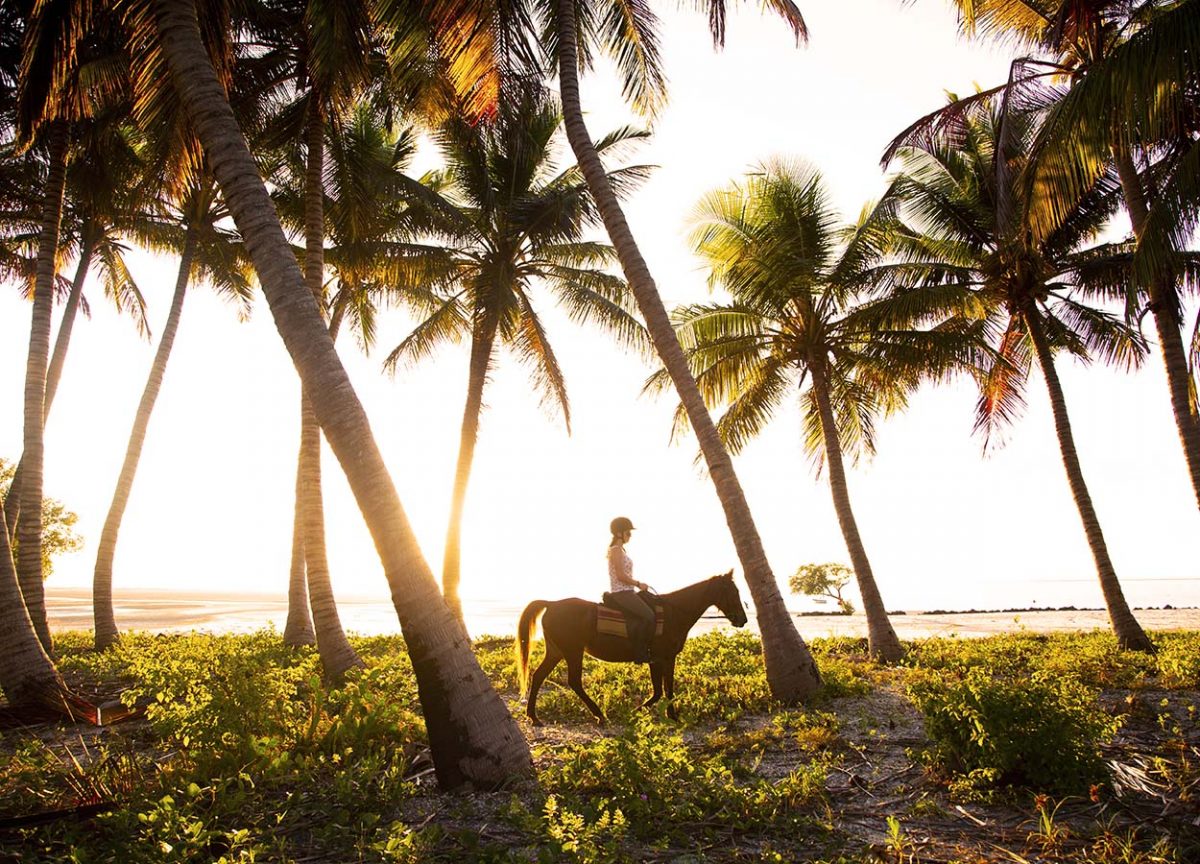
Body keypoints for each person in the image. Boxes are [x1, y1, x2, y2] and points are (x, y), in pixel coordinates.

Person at [603, 516, 655, 663]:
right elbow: (620, 575)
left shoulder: (621, 550)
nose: (630, 536)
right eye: (628, 533)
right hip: (622, 593)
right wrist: (638, 584)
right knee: (649, 616)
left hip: (628, 591)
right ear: (619, 533)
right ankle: (640, 653)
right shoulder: (616, 550)